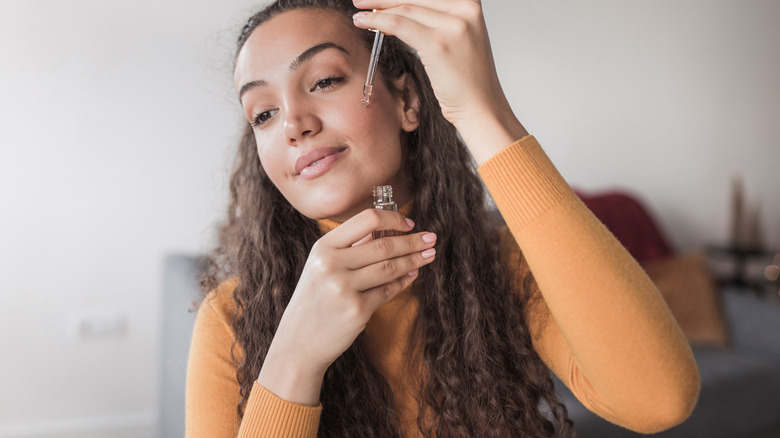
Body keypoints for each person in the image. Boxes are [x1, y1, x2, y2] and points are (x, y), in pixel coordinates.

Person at [185, 0, 700, 436]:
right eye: (263, 114)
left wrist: (481, 107)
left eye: (323, 80)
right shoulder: (232, 316)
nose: (294, 124)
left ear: (407, 100)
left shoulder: (501, 267)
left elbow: (658, 399)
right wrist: (296, 357)